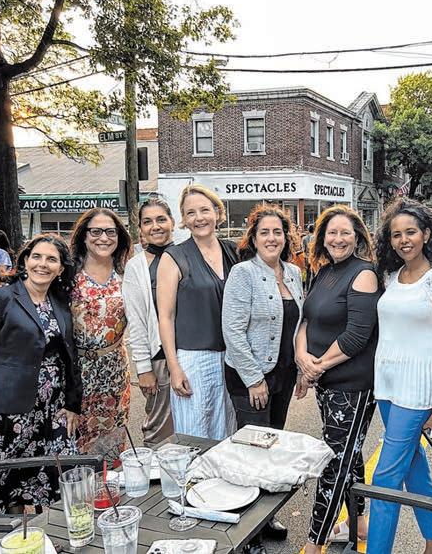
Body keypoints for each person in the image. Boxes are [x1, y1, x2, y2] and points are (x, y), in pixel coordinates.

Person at [367, 198, 432, 554]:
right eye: (396, 235)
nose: (404, 240)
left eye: (410, 232)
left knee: (385, 477)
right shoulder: (392, 278)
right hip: (387, 385)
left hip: (419, 388)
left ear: (426, 235)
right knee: (412, 467)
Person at [0, 234, 80, 513]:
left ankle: (52, 530)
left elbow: (70, 355)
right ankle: (14, 532)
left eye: (51, 259)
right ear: (25, 261)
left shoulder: (60, 303)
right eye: (37, 257)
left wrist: (72, 403)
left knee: (58, 475)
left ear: (61, 268)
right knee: (8, 485)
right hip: (8, 410)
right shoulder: (0, 298)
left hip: (53, 410)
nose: (42, 264)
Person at [295, 205, 379, 553]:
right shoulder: (323, 271)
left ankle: (315, 541)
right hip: (325, 383)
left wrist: (317, 366)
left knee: (335, 462)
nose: (338, 239)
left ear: (357, 237)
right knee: (349, 456)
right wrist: (301, 357)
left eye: (346, 233)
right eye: (332, 232)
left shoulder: (364, 274)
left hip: (352, 386)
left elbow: (357, 336)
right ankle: (360, 523)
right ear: (322, 238)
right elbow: (306, 320)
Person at [222, 205, 304, 554]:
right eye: (264, 232)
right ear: (253, 239)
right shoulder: (243, 273)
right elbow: (232, 331)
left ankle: (265, 518)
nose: (272, 238)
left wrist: (300, 369)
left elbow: (298, 325)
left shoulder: (294, 273)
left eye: (278, 232)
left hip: (284, 375)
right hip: (250, 377)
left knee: (272, 449)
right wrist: (255, 379)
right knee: (252, 453)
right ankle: (247, 534)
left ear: (286, 237)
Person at [157, 184, 237, 440]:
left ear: (217, 212)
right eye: (190, 213)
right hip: (193, 360)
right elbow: (165, 317)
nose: (199, 218)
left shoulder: (234, 252)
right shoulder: (174, 257)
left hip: (232, 358)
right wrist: (174, 367)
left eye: (204, 210)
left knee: (228, 431)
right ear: (183, 219)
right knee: (195, 434)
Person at [70, 208, 132, 463]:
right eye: (96, 231)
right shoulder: (67, 274)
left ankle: (110, 487)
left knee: (112, 443)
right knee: (75, 440)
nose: (103, 238)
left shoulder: (127, 275)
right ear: (84, 236)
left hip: (115, 371)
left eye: (110, 232)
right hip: (76, 372)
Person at [122, 197, 176, 446]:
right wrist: (143, 369)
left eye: (161, 219)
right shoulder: (136, 267)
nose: (155, 226)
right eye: (148, 221)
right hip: (159, 359)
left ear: (172, 222)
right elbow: (136, 321)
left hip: (192, 354)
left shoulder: (187, 255)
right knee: (159, 431)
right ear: (140, 228)